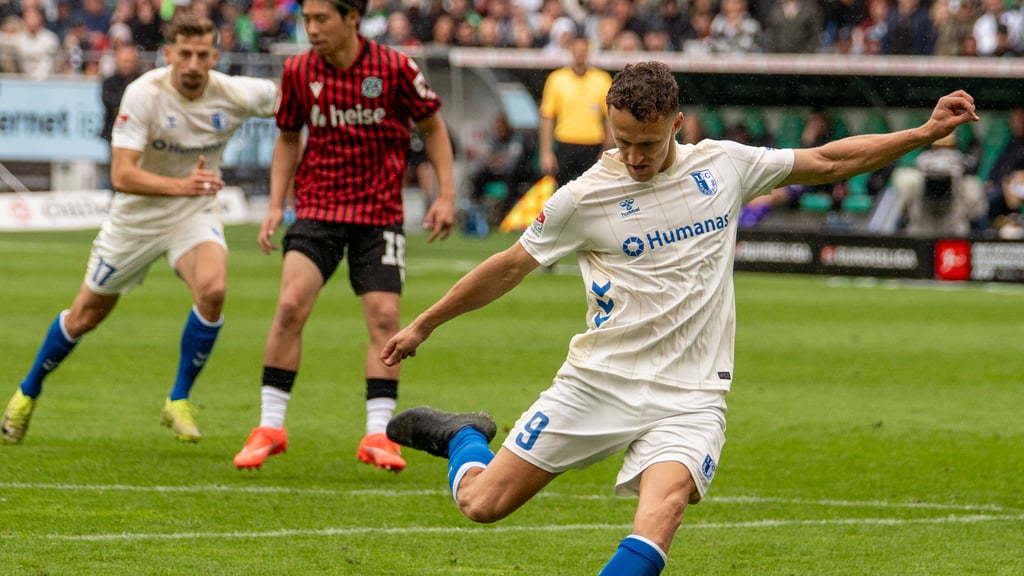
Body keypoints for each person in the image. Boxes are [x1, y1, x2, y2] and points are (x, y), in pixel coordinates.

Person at [379, 62, 978, 575]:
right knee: (483, 503)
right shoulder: (584, 198)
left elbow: (825, 160)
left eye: (647, 142)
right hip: (601, 380)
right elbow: (507, 267)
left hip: (691, 394)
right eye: (621, 141)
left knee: (661, 514)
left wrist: (924, 132)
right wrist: (425, 323)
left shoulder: (724, 166)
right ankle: (462, 436)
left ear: (677, 124)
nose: (633, 156)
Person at [0, 14, 279, 446]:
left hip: (193, 211)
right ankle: (28, 390)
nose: (192, 64)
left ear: (215, 56)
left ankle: (179, 399)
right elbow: (122, 175)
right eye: (183, 54)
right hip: (137, 216)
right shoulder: (144, 94)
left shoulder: (238, 93)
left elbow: (297, 102)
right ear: (168, 55)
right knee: (85, 316)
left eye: (202, 55)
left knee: (213, 289)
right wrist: (182, 184)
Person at [232, 0, 456, 473]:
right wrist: (276, 204)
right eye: (306, 20)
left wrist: (446, 195)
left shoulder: (394, 68)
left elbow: (432, 127)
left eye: (321, 20)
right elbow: (288, 137)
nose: (310, 29)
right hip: (317, 209)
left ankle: (378, 433)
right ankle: (270, 426)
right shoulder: (298, 72)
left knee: (384, 318)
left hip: (379, 213)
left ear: (352, 18)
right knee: (291, 305)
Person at [538, 34, 613, 189]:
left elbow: (610, 119)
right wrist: (546, 152)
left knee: (593, 193)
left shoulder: (602, 79)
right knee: (561, 193)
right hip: (565, 144)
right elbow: (547, 117)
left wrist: (607, 149)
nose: (580, 54)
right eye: (576, 50)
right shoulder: (556, 79)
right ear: (570, 51)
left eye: (583, 50)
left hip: (593, 145)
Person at [100, 42, 142, 144]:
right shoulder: (109, 82)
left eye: (130, 61)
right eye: (125, 61)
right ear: (117, 61)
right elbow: (110, 101)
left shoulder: (142, 80)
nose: (127, 65)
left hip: (137, 132)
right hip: (114, 131)